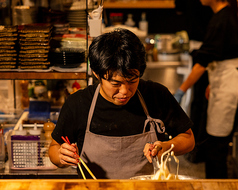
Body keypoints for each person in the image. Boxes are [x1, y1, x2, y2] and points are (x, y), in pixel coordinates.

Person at [49, 28, 195, 179]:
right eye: (115, 83)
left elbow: (188, 139)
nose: (125, 91)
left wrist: (164, 147)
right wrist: (61, 156)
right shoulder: (78, 104)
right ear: (96, 73)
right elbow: (54, 148)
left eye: (132, 81)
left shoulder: (156, 95)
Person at [174, 0, 238, 178]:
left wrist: (181, 90)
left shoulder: (222, 19)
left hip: (229, 85)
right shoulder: (224, 16)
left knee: (216, 147)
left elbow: (202, 62)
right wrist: (213, 82)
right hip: (224, 80)